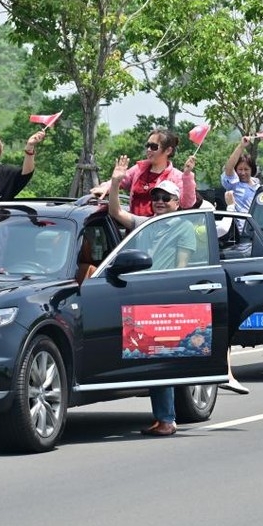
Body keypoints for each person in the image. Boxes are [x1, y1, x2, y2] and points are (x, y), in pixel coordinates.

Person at [107, 156, 198, 436]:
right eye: (156, 196)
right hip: (139, 297)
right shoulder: (145, 224)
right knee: (149, 358)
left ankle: (168, 419)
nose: (159, 201)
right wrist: (114, 181)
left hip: (164, 299)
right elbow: (115, 213)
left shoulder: (183, 227)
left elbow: (181, 268)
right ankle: (162, 418)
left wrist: (174, 299)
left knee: (160, 359)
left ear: (176, 202)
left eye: (166, 198)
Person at [110, 128, 197, 217]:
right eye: (147, 146)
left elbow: (187, 203)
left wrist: (187, 175)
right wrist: (104, 187)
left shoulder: (176, 176)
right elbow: (117, 181)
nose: (148, 149)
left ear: (168, 150)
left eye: (153, 147)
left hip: (159, 228)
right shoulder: (138, 169)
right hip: (135, 227)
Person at [221, 135, 261, 212]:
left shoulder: (259, 187)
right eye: (240, 169)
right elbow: (229, 168)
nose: (243, 173)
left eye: (246, 169)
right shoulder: (234, 185)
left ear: (252, 170)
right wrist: (241, 146)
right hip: (242, 224)